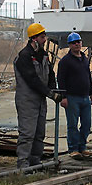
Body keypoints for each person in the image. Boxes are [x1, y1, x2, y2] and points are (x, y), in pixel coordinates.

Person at [13, 23, 59, 169]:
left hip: (40, 99)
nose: (45, 40)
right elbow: (32, 79)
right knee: (27, 133)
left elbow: (51, 74)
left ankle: (35, 161)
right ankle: (23, 164)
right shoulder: (24, 57)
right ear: (34, 39)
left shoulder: (43, 55)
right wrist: (50, 93)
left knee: (40, 132)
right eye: (42, 37)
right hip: (27, 100)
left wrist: (53, 89)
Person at [56, 32, 92, 159]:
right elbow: (61, 79)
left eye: (78, 41)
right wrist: (64, 97)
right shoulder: (65, 61)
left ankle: (82, 147)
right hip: (72, 98)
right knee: (72, 124)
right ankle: (73, 149)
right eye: (74, 43)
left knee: (87, 124)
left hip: (85, 97)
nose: (77, 44)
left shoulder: (84, 59)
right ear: (69, 45)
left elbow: (88, 77)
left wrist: (91, 93)